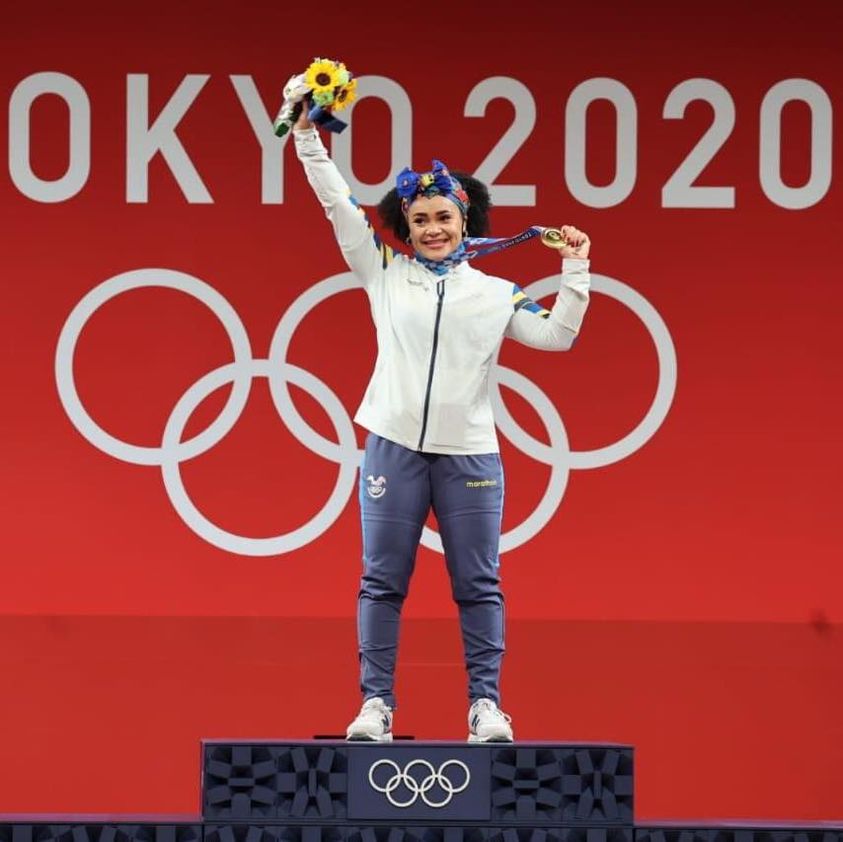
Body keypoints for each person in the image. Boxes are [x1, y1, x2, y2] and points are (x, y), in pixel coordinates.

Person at [292, 104, 590, 743]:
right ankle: (376, 705)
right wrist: (306, 137)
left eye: (443, 218)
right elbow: (337, 203)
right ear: (406, 224)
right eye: (420, 219)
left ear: (465, 220)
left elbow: (558, 336)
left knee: (479, 584)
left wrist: (575, 270)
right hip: (393, 446)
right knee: (381, 582)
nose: (432, 229)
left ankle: (486, 707)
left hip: (470, 454)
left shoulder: (497, 292)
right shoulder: (383, 270)